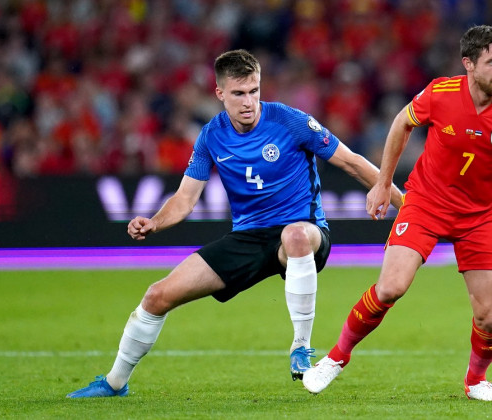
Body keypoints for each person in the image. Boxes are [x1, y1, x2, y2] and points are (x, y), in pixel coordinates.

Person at [66, 49, 403, 398]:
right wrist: (154, 222)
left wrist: (405, 204)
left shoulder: (290, 121)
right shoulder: (212, 136)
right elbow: (184, 199)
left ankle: (301, 349)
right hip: (248, 238)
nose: (248, 102)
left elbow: (352, 163)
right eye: (239, 93)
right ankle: (114, 383)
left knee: (295, 235)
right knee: (156, 296)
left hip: (305, 233)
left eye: (254, 91)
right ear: (220, 94)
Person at [302, 24, 492, 401]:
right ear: (468, 64)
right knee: (391, 287)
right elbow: (401, 124)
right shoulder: (441, 92)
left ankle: (476, 381)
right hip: (425, 203)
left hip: (481, 216)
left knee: (489, 316)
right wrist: (383, 182)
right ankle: (336, 358)